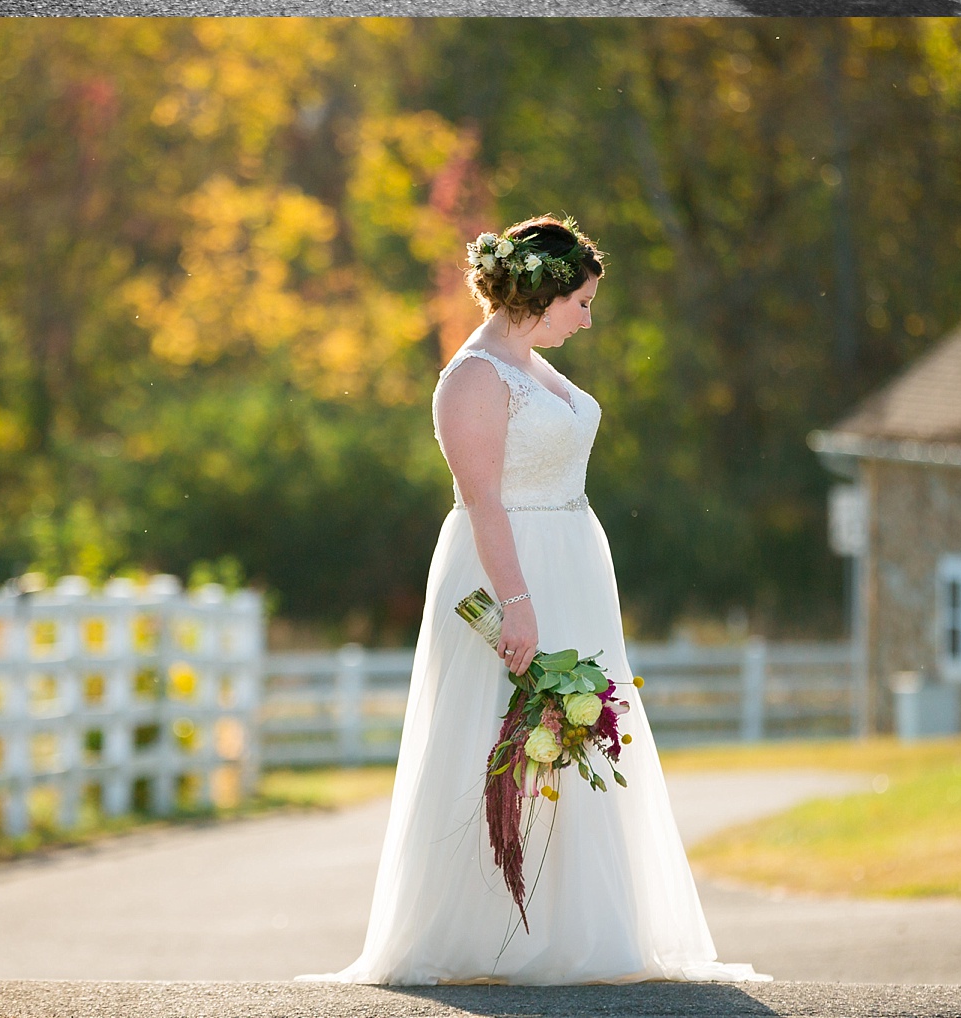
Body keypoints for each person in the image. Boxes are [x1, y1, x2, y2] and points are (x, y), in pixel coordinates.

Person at [300, 216, 766, 985]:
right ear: (542, 294)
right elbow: (483, 499)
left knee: (581, 737)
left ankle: (581, 927)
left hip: (573, 563)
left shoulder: (533, 365)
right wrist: (517, 603)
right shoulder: (475, 377)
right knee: (500, 736)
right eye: (580, 302)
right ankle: (491, 934)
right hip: (507, 570)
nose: (588, 318)